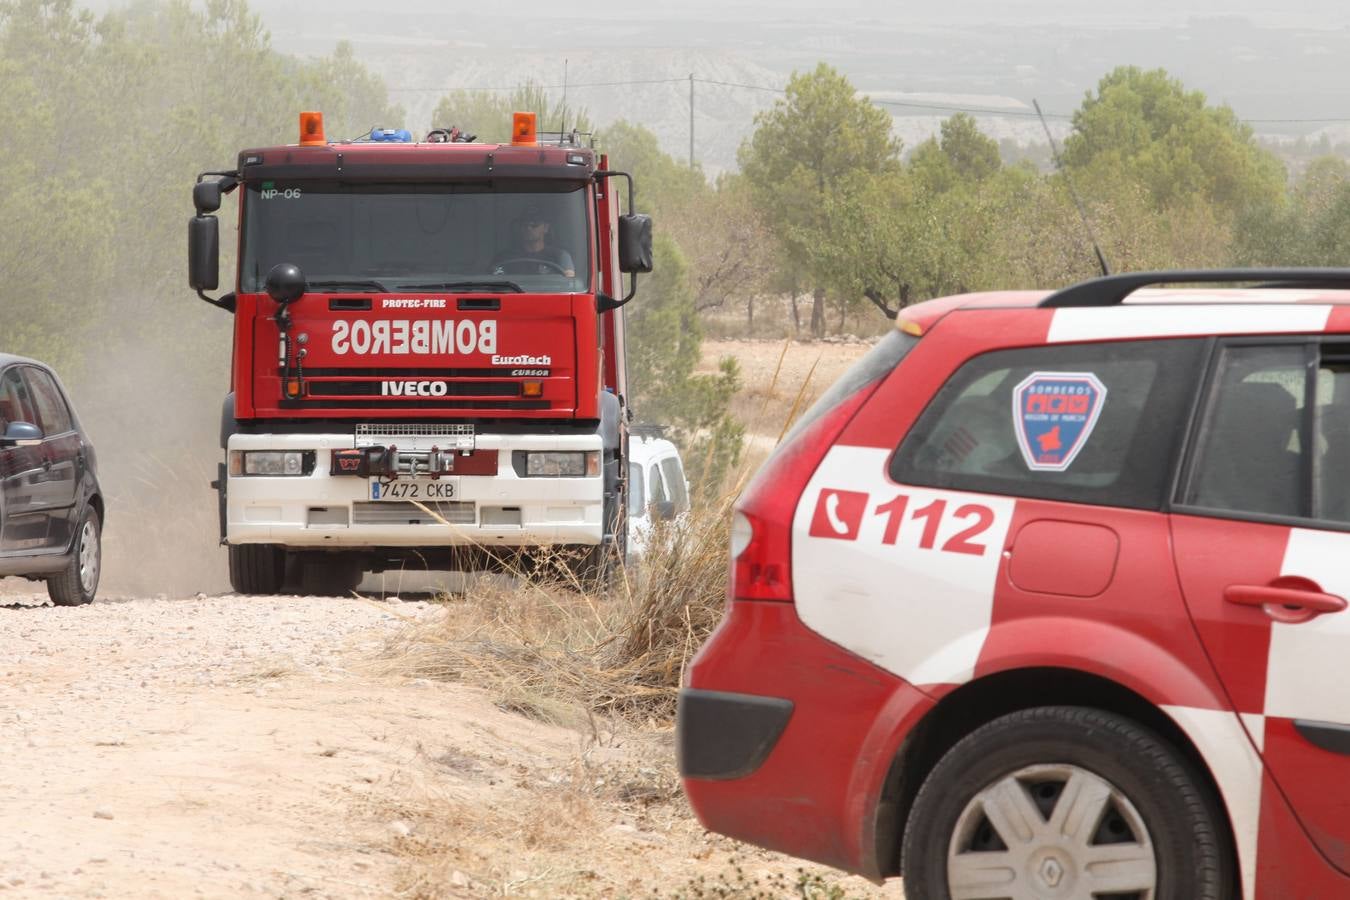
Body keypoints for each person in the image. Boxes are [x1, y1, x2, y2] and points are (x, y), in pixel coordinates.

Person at [492, 204, 576, 278]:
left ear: (546, 228)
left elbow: (569, 282)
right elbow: (493, 282)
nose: (528, 228)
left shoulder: (560, 256)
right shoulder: (505, 258)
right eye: (525, 224)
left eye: (534, 224)